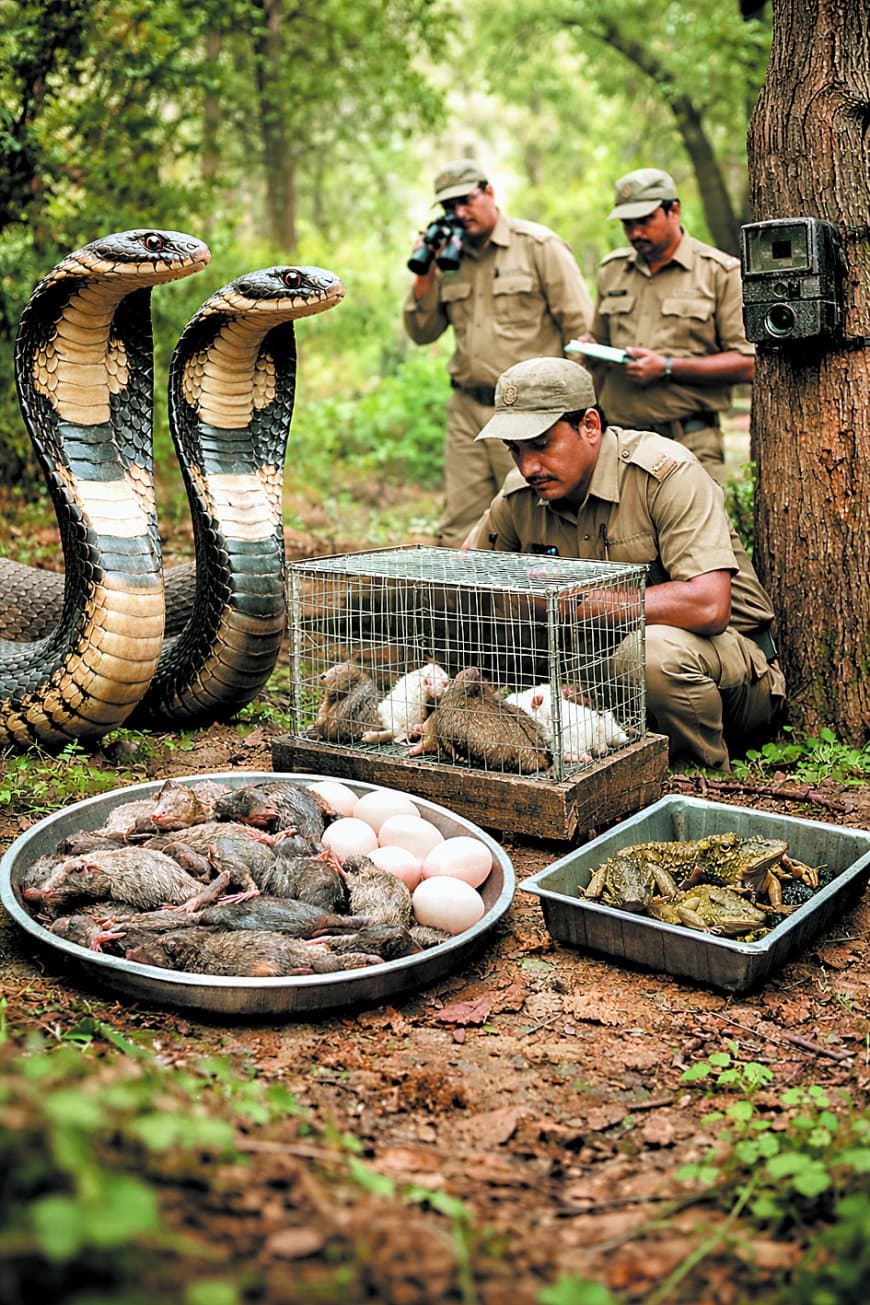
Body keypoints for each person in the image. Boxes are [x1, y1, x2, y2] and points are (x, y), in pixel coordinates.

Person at [464, 356, 785, 771]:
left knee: (647, 654)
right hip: (601, 683)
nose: (529, 466)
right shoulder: (522, 494)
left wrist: (574, 601)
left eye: (542, 445)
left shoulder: (666, 474)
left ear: (590, 426)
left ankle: (693, 777)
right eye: (516, 451)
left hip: (728, 680)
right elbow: (463, 572)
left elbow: (708, 605)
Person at [403, 159, 593, 547]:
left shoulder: (538, 247)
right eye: (448, 206)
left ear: (489, 192)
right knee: (461, 521)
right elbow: (422, 332)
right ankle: (463, 606)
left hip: (532, 413)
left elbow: (581, 334)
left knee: (536, 517)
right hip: (468, 409)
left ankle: (530, 604)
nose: (458, 212)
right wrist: (426, 272)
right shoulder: (448, 259)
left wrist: (566, 416)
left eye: (466, 200)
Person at [581, 168, 754, 481]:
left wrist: (668, 366)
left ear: (673, 210)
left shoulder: (718, 272)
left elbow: (747, 363)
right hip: (620, 442)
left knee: (695, 530)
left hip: (689, 442)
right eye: (627, 224)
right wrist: (592, 353)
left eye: (645, 221)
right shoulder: (613, 271)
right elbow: (598, 342)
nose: (635, 233)